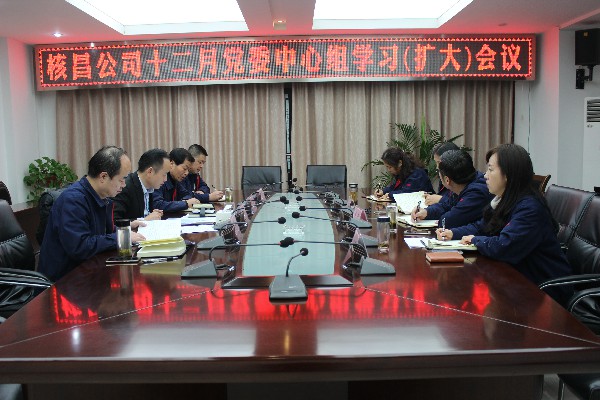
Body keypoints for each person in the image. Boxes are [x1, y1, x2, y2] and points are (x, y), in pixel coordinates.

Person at [435, 144, 572, 304]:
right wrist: (454, 233)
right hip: (517, 280)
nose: (485, 176)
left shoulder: (529, 208)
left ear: (507, 175)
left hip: (543, 291)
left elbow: (504, 245)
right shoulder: (504, 200)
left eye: (491, 170)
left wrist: (474, 240)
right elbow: (482, 226)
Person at [38, 146, 146, 281]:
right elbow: (80, 247)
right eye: (121, 179)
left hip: (90, 270)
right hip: (66, 280)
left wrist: (127, 227)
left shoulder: (101, 197)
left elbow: (103, 233)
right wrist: (121, 237)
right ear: (103, 177)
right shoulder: (73, 201)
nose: (124, 185)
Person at [411, 150, 493, 228]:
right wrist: (426, 212)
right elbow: (447, 205)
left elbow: (449, 221)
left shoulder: (476, 193)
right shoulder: (462, 185)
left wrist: (442, 219)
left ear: (447, 180)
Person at [112, 148, 170, 221]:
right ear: (150, 171)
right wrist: (145, 220)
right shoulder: (124, 187)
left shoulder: (149, 187)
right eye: (164, 174)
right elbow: (116, 221)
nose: (165, 179)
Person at [152, 147, 200, 212]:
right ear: (172, 164)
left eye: (188, 170)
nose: (186, 173)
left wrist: (187, 200)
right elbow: (157, 205)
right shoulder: (160, 179)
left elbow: (186, 194)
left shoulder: (175, 180)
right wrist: (185, 203)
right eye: (184, 169)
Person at [424, 141, 460, 206]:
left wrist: (440, 199)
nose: (437, 167)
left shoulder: (462, 179)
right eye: (436, 163)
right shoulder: (445, 174)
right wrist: (432, 198)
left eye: (439, 162)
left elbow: (460, 205)